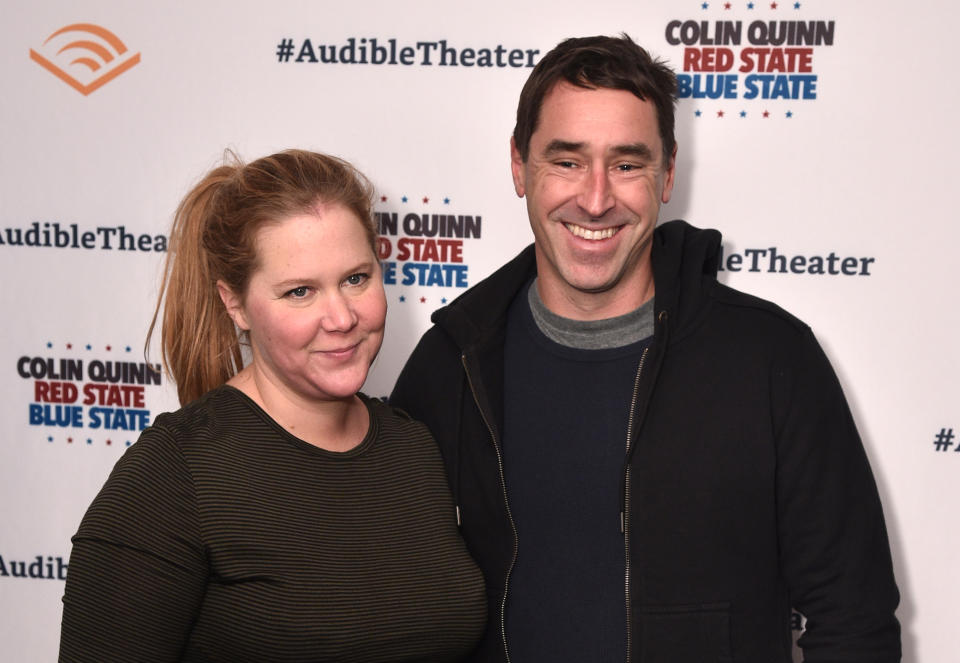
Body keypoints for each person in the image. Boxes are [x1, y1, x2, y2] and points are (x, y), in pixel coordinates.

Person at [390, 35, 901, 663]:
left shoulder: (772, 359)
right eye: (567, 161)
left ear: (667, 173)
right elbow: (391, 606)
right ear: (520, 166)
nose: (597, 198)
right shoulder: (452, 364)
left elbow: (854, 617)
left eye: (627, 164)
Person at [60, 149, 486, 662]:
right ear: (234, 302)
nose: (341, 318)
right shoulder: (175, 473)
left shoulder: (415, 449)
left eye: (356, 278)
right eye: (300, 291)